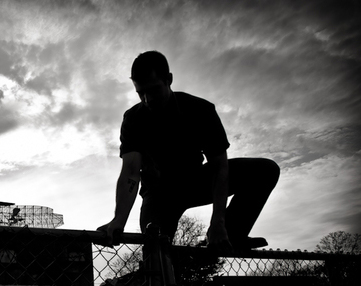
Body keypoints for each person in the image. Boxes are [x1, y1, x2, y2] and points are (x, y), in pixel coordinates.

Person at [99, 51, 280, 251]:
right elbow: (131, 172)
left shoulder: (200, 110)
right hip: (159, 194)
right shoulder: (133, 119)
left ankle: (232, 234)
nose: (147, 99)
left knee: (266, 170)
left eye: (154, 90)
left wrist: (218, 222)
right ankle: (161, 271)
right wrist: (119, 219)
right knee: (156, 252)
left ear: (169, 79)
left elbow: (219, 168)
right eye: (140, 92)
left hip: (195, 181)